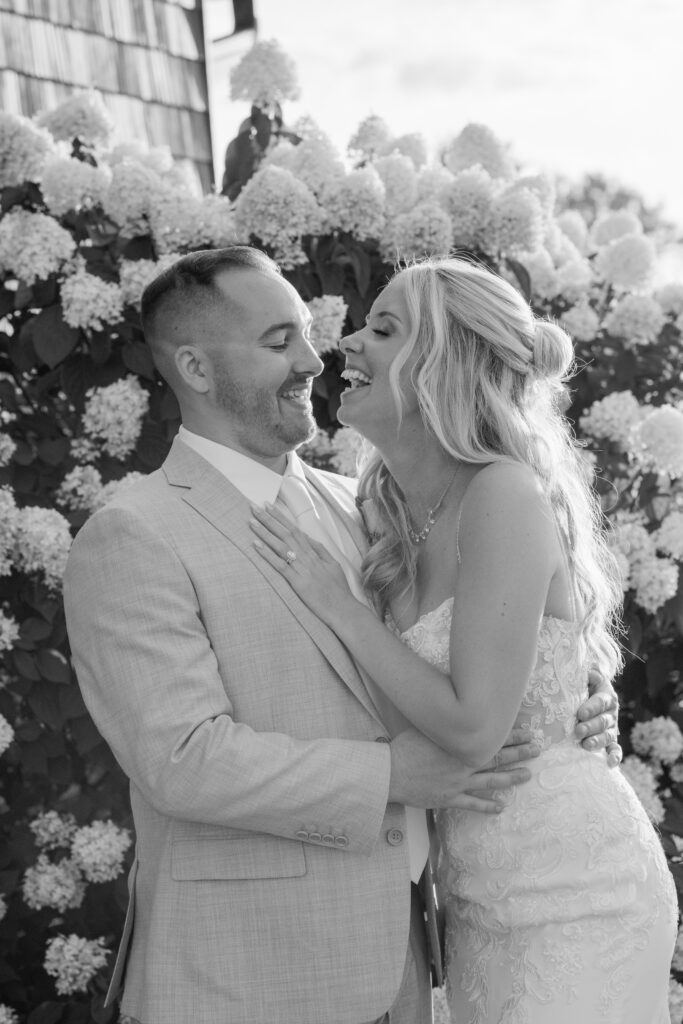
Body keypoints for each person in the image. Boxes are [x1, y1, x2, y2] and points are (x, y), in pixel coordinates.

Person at [63, 247, 619, 1024]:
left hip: (411, 962)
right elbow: (182, 760)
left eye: (305, 333)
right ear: (194, 367)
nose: (313, 358)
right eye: (278, 341)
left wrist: (569, 697)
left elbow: (467, 646)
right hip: (244, 978)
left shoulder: (368, 507)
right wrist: (390, 775)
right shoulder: (135, 533)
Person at [250, 255, 677, 1024]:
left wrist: (339, 608)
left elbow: (475, 728)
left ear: (441, 364)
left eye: (383, 329)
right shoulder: (376, 513)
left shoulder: (502, 493)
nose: (347, 342)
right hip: (473, 904)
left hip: (580, 896)